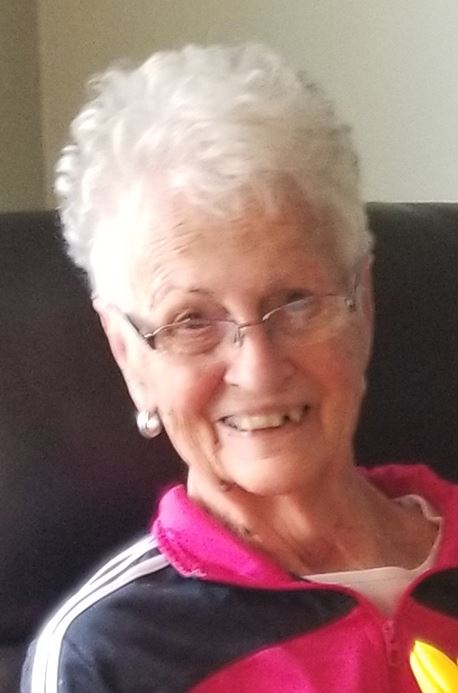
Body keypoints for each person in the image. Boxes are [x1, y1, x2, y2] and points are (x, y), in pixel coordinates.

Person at [22, 43, 458, 693]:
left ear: (362, 303)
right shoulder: (106, 655)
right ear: (129, 353)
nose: (257, 369)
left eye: (296, 301)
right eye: (191, 320)